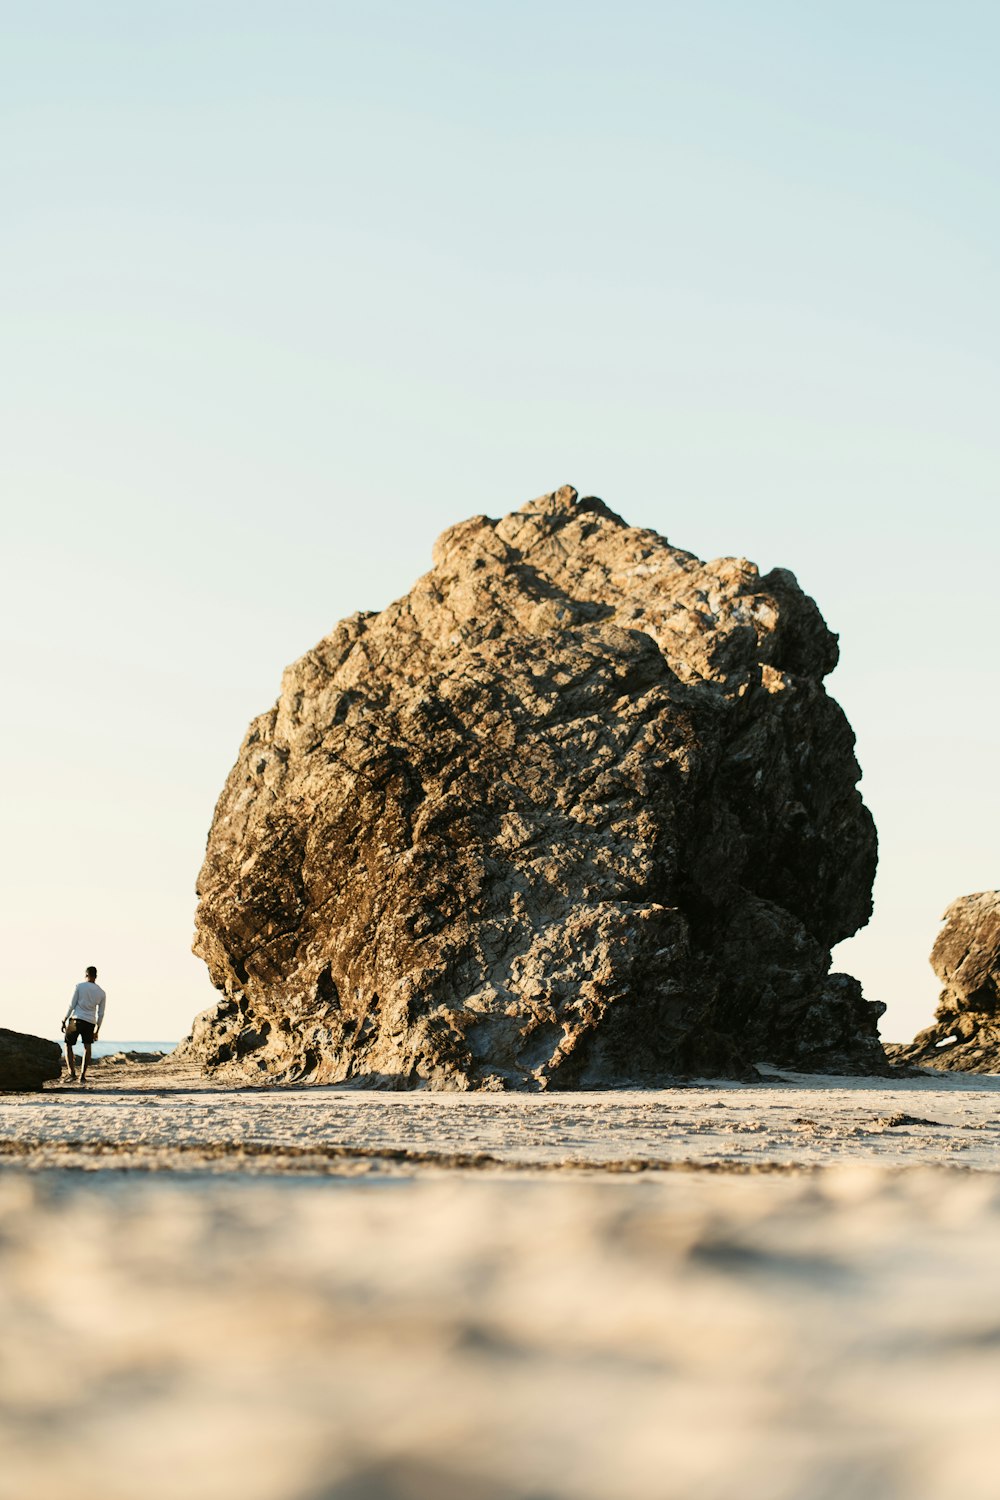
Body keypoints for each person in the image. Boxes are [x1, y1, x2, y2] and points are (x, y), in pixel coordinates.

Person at [63, 965, 106, 1084]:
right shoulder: (101, 992)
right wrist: (97, 1030)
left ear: (86, 974)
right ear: (96, 976)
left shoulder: (79, 986)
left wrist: (65, 1018)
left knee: (68, 1045)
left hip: (77, 1019)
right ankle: (82, 1076)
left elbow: (71, 1005)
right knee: (87, 1047)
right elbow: (101, 1013)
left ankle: (71, 1073)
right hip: (90, 1022)